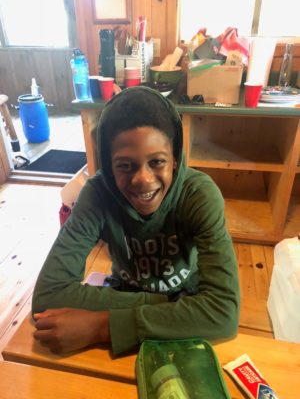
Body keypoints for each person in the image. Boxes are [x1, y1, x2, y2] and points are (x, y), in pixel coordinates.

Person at [32, 86, 240, 357]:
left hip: (185, 296)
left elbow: (223, 313)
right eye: (125, 165)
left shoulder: (198, 195)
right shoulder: (96, 195)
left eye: (157, 162)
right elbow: (48, 296)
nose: (142, 179)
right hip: (149, 300)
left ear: (175, 159)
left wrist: (102, 327)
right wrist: (161, 305)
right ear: (107, 165)